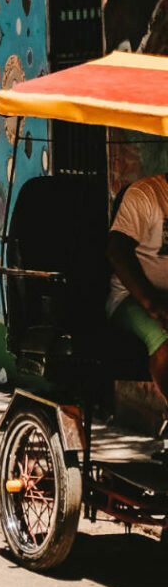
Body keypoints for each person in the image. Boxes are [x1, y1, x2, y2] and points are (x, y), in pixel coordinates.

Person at [107, 173, 168, 410]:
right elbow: (116, 251)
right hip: (132, 298)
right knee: (165, 342)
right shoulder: (146, 193)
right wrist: (152, 304)